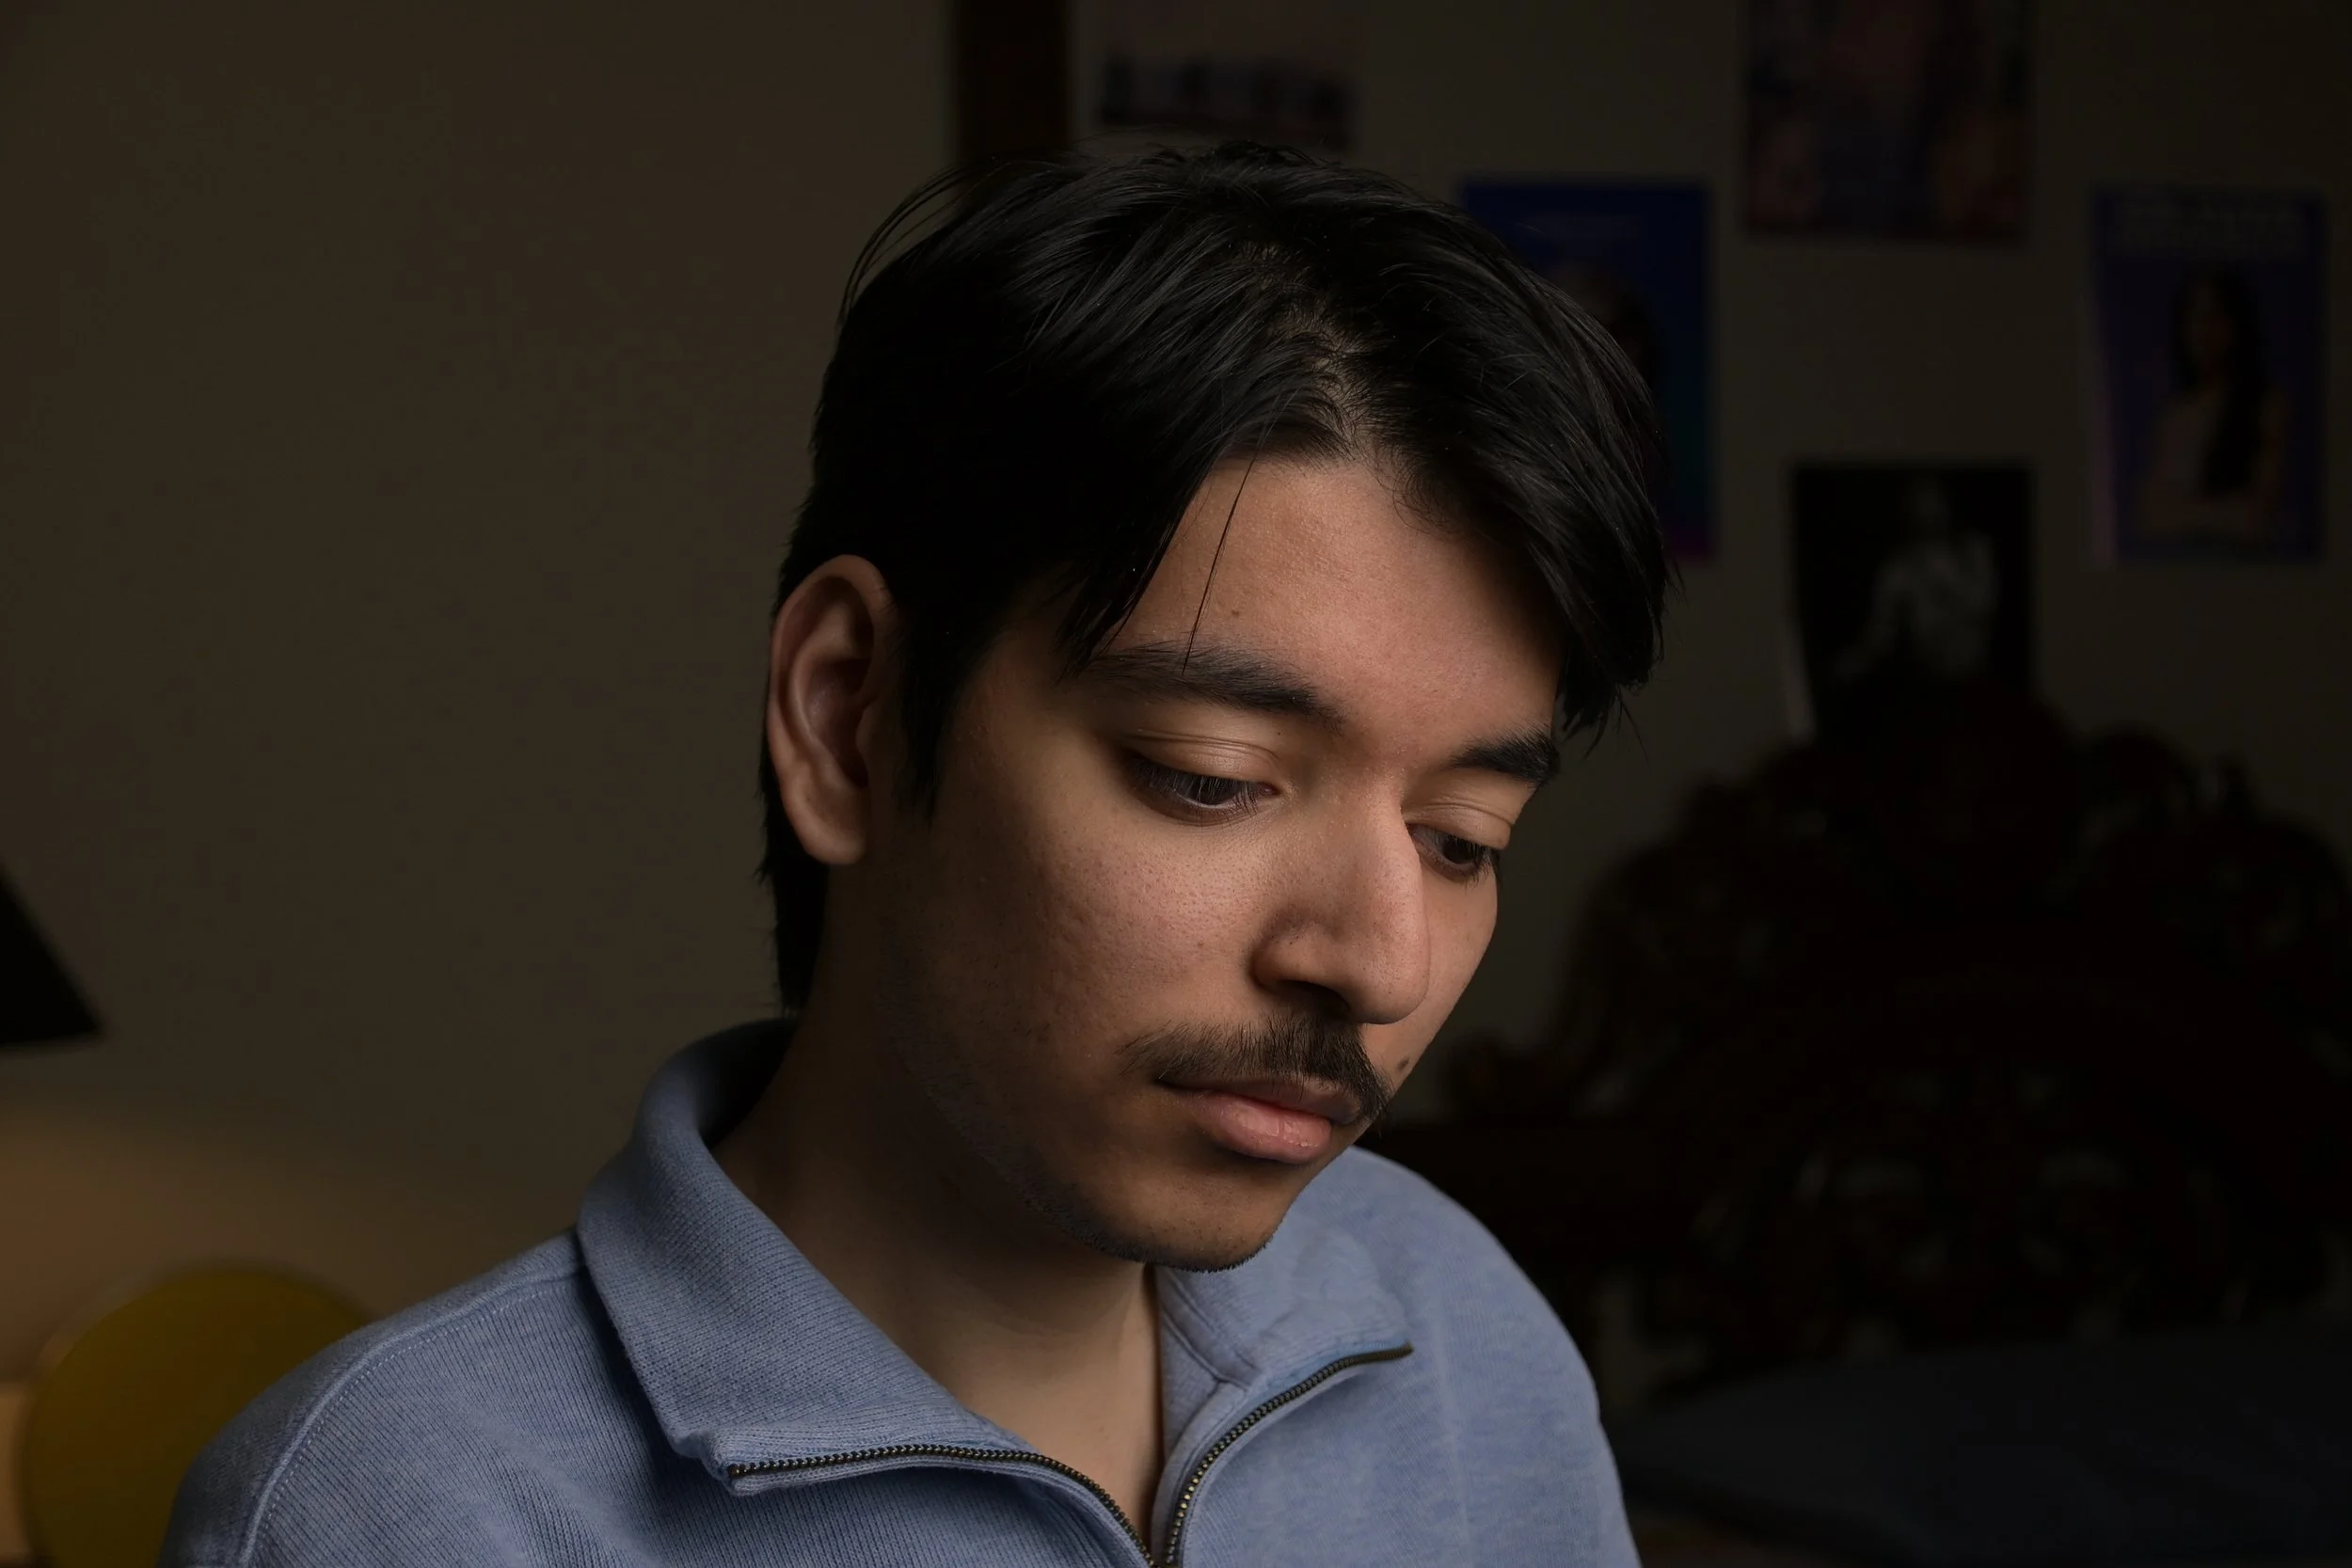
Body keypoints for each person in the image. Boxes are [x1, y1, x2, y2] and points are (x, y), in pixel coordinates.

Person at [164, 143, 1669, 1567]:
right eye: (1211, 779)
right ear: (846, 715)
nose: (1380, 958)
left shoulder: (1456, 1327)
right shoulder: (402, 1509)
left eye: (1462, 836)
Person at [2135, 267, 2290, 546]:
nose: (2204, 329)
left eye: (2216, 315)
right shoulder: (2174, 415)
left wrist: (2184, 512)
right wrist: (2217, 513)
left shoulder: (2266, 404)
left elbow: (2257, 515)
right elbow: (2151, 516)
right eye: (2194, 316)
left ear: (2237, 324)